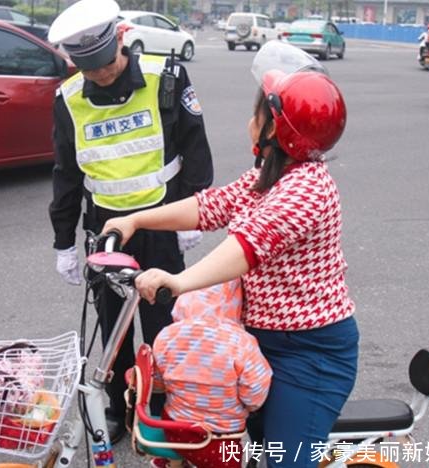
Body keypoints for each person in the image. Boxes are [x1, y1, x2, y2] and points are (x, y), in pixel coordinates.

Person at [103, 41, 359, 468]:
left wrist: (177, 282)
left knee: (285, 461)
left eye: (259, 113)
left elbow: (246, 246)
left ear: (274, 129)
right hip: (259, 340)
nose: (250, 121)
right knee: (236, 449)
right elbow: (211, 206)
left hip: (310, 354)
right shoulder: (272, 173)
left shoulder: (306, 189)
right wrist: (136, 219)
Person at [47, 0, 214, 443]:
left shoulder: (168, 77)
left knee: (164, 320)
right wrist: (64, 241)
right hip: (107, 229)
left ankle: (162, 407)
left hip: (161, 220)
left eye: (104, 65)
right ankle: (121, 407)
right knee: (112, 324)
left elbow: (195, 146)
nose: (99, 75)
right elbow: (66, 173)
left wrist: (195, 212)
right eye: (88, 69)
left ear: (121, 38)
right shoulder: (68, 99)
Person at [150, 280, 272, 468]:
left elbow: (157, 384)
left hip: (174, 429)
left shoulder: (166, 336)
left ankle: (172, 462)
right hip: (218, 439)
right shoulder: (242, 343)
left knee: (179, 449)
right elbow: (256, 394)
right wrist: (244, 407)